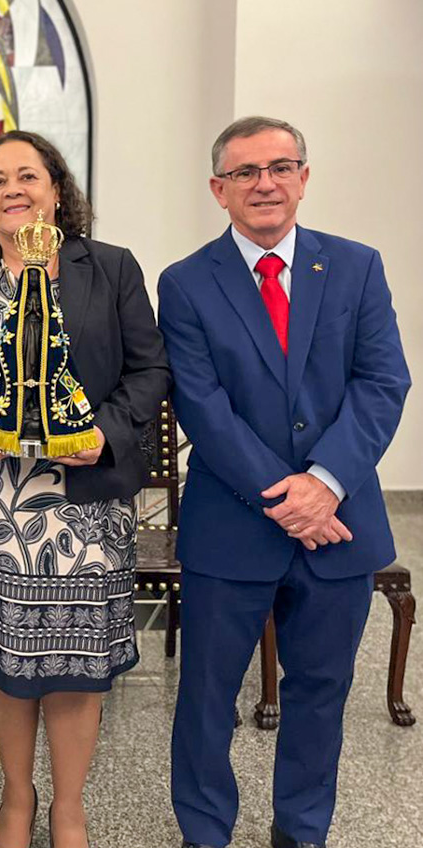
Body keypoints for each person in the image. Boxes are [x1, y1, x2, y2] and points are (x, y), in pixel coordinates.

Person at [159, 116, 410, 848]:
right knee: (206, 699)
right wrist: (289, 496)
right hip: (231, 526)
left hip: (339, 525)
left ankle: (301, 832)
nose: (264, 183)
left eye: (280, 167)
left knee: (321, 694)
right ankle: (205, 832)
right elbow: (202, 406)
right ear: (219, 190)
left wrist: (325, 483)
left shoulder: (357, 267)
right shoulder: (185, 282)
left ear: (304, 177)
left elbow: (382, 383)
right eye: (245, 172)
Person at [0, 130, 170, 848]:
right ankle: (17, 797)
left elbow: (151, 370)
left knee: (75, 668)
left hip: (86, 505)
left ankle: (69, 806)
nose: (13, 189)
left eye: (28, 176)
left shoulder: (111, 267)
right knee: (6, 664)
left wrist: (105, 432)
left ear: (57, 190)